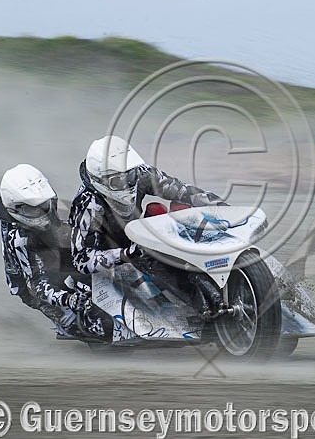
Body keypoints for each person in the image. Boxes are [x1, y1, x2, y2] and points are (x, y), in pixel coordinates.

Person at [69, 135, 227, 327]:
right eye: (118, 181)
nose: (128, 183)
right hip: (111, 257)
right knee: (150, 257)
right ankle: (196, 309)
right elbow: (80, 259)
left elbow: (180, 190)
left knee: (166, 212)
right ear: (99, 181)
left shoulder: (141, 174)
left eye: (130, 176)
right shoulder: (87, 204)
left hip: (136, 236)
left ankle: (213, 270)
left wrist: (215, 203)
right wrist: (125, 254)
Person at [0, 163, 106, 340]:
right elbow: (36, 286)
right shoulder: (20, 240)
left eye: (43, 205)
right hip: (34, 283)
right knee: (92, 329)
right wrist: (68, 299)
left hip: (52, 249)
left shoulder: (52, 209)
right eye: (31, 209)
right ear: (15, 209)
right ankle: (70, 325)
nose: (40, 212)